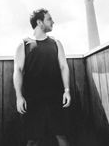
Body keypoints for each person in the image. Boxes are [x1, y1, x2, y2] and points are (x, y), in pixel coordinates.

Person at [13, 8, 71, 146]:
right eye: (49, 19)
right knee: (33, 140)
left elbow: (64, 67)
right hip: (33, 100)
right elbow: (18, 70)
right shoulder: (24, 44)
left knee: (62, 136)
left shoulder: (56, 43)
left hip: (56, 98)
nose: (53, 22)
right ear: (39, 22)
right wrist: (19, 97)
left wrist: (67, 90)